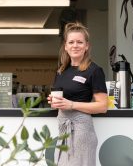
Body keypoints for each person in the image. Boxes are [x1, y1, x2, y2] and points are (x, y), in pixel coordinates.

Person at [47, 21, 108, 166]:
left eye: (80, 42)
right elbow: (62, 100)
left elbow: (103, 106)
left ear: (87, 46)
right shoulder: (61, 71)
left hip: (81, 131)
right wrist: (54, 101)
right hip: (63, 129)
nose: (75, 45)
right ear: (66, 46)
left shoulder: (94, 70)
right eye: (71, 42)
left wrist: (72, 104)